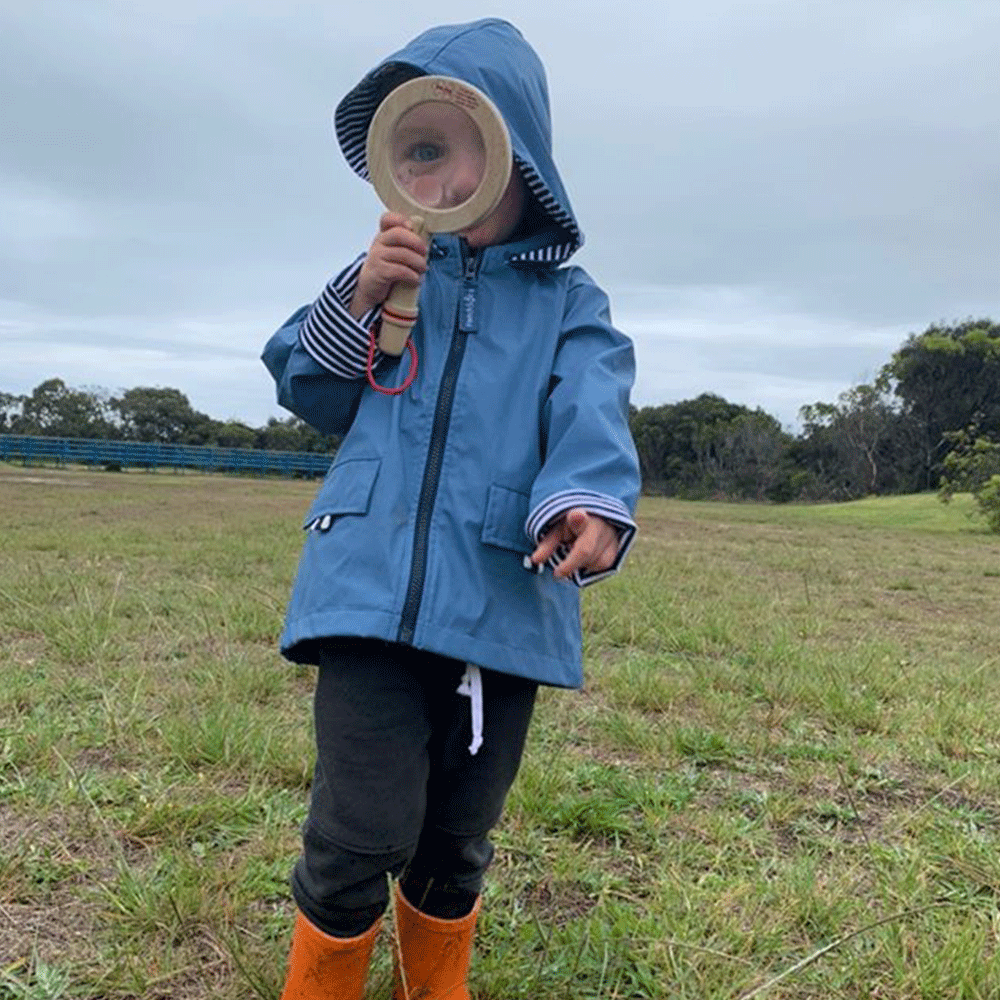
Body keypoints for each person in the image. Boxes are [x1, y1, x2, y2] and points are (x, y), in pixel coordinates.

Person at [262, 18, 640, 1000]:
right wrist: (357, 301)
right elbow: (312, 390)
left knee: (456, 833)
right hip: (363, 596)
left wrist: (585, 503)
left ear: (524, 167)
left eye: (464, 151)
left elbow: (591, 404)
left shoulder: (570, 304)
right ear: (390, 167)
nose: (437, 181)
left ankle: (436, 984)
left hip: (498, 606)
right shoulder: (382, 284)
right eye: (417, 153)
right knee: (361, 830)